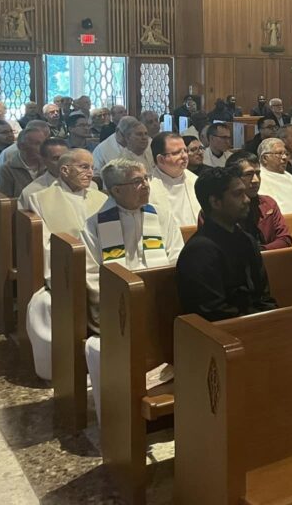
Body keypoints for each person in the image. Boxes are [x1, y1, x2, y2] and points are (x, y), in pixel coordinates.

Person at [83, 159, 184, 421]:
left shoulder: (161, 214)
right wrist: (120, 300)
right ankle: (126, 401)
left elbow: (176, 256)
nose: (145, 186)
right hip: (121, 306)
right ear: (116, 190)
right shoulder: (95, 224)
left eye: (145, 179)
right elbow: (92, 273)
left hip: (160, 299)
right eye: (136, 181)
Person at [22, 149, 106, 380]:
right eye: (83, 167)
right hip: (71, 267)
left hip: (103, 262)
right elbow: (46, 245)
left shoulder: (100, 197)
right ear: (65, 170)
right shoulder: (40, 199)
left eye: (91, 167)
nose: (90, 173)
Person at [177, 167, 277, 322]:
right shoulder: (199, 251)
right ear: (215, 202)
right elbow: (212, 312)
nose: (247, 200)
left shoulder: (246, 240)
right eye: (238, 194)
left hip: (255, 324)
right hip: (221, 335)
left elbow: (263, 296)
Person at [226, 151, 292, 250]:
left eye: (258, 173)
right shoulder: (219, 208)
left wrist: (260, 252)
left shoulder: (268, 204)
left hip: (268, 260)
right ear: (233, 177)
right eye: (249, 174)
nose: (256, 180)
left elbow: (285, 239)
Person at [151, 132, 201, 226]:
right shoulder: (148, 187)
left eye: (185, 151)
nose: (185, 156)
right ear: (161, 159)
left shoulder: (196, 181)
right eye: (177, 152)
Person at [257, 137, 292, 214]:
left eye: (286, 154)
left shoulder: (291, 178)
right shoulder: (258, 180)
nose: (284, 157)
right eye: (279, 153)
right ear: (265, 158)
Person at [0, 125, 49, 198]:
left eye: (44, 144)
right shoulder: (7, 170)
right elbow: (5, 202)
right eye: (37, 144)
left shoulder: (49, 165)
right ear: (21, 146)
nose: (43, 148)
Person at [19, 137, 72, 206]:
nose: (62, 163)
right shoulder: (32, 193)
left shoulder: (86, 186)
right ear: (44, 160)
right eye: (56, 159)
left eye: (65, 158)